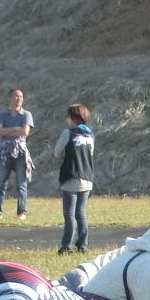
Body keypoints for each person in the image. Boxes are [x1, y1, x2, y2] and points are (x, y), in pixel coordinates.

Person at [51, 104, 96, 254]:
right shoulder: (90, 135)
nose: (67, 119)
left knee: (69, 214)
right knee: (81, 213)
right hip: (87, 177)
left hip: (71, 177)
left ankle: (66, 246)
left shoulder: (68, 133)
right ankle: (83, 245)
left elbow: (57, 152)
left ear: (74, 118)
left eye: (69, 116)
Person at [0, 87, 33, 220]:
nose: (18, 99)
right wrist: (15, 128)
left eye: (20, 97)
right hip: (5, 151)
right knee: (1, 182)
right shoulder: (3, 115)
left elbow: (25, 132)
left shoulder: (26, 115)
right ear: (9, 98)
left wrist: (7, 131)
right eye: (15, 96)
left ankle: (21, 212)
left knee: (21, 183)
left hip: (20, 152)